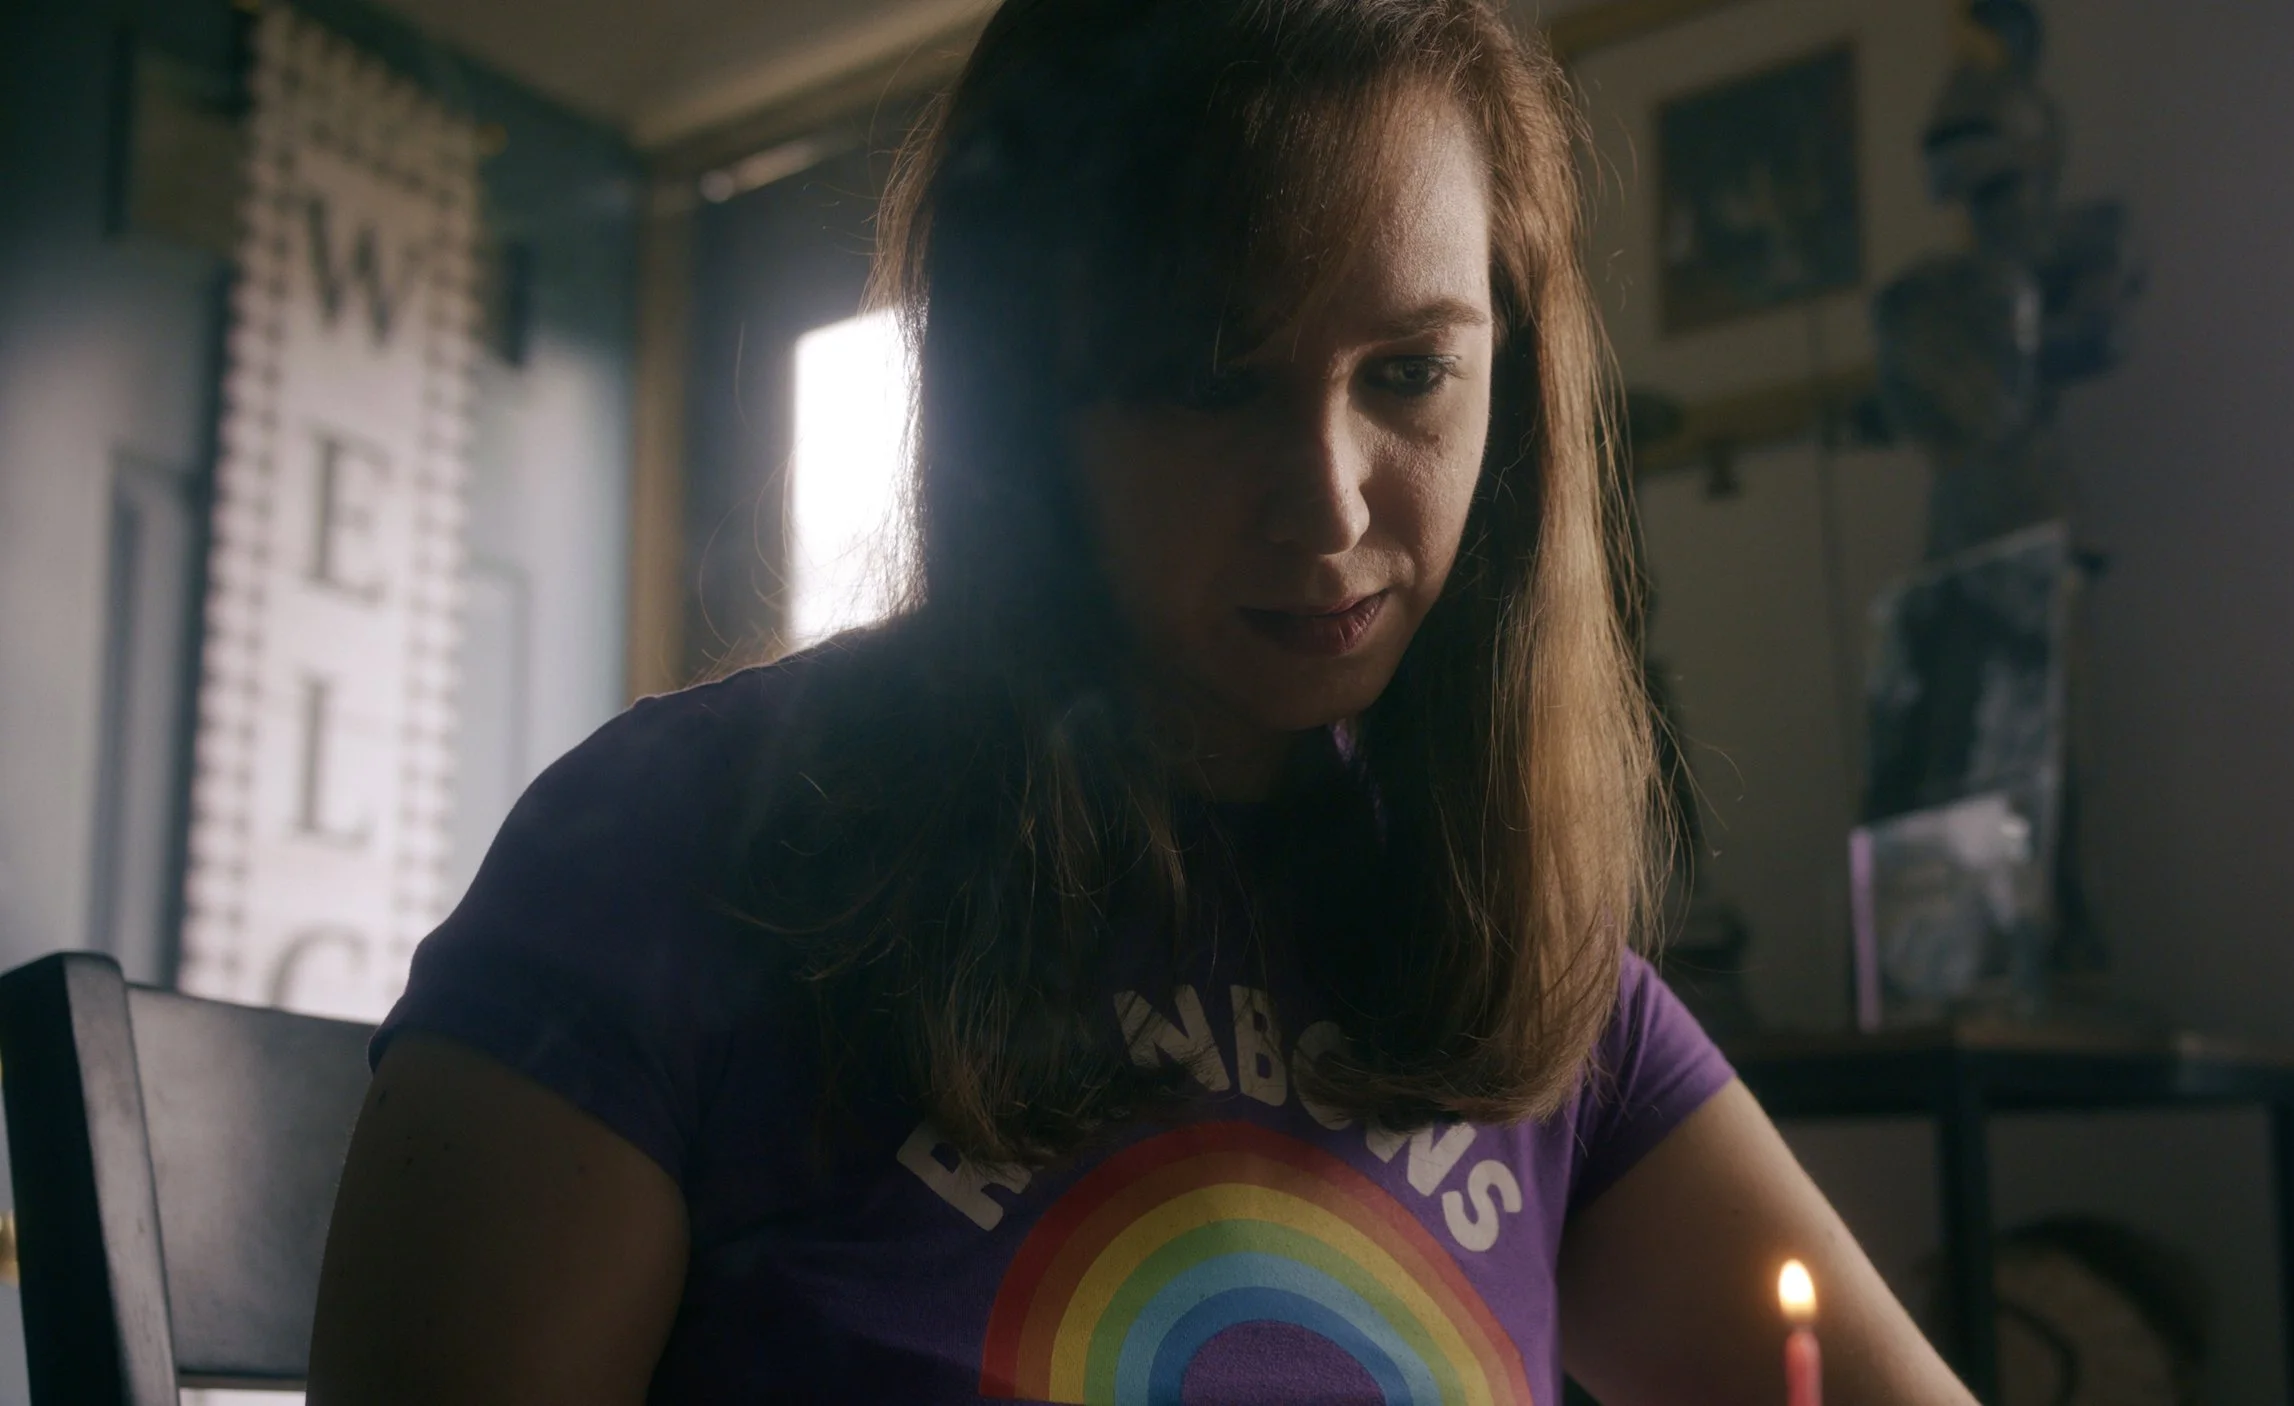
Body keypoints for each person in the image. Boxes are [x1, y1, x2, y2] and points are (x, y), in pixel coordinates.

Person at [307, 1, 1978, 1402]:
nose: (1327, 503)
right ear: (1026, 394)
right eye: (1205, 379)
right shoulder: (671, 853)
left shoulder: (1525, 981)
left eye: (1409, 372)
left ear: (1513, 381)